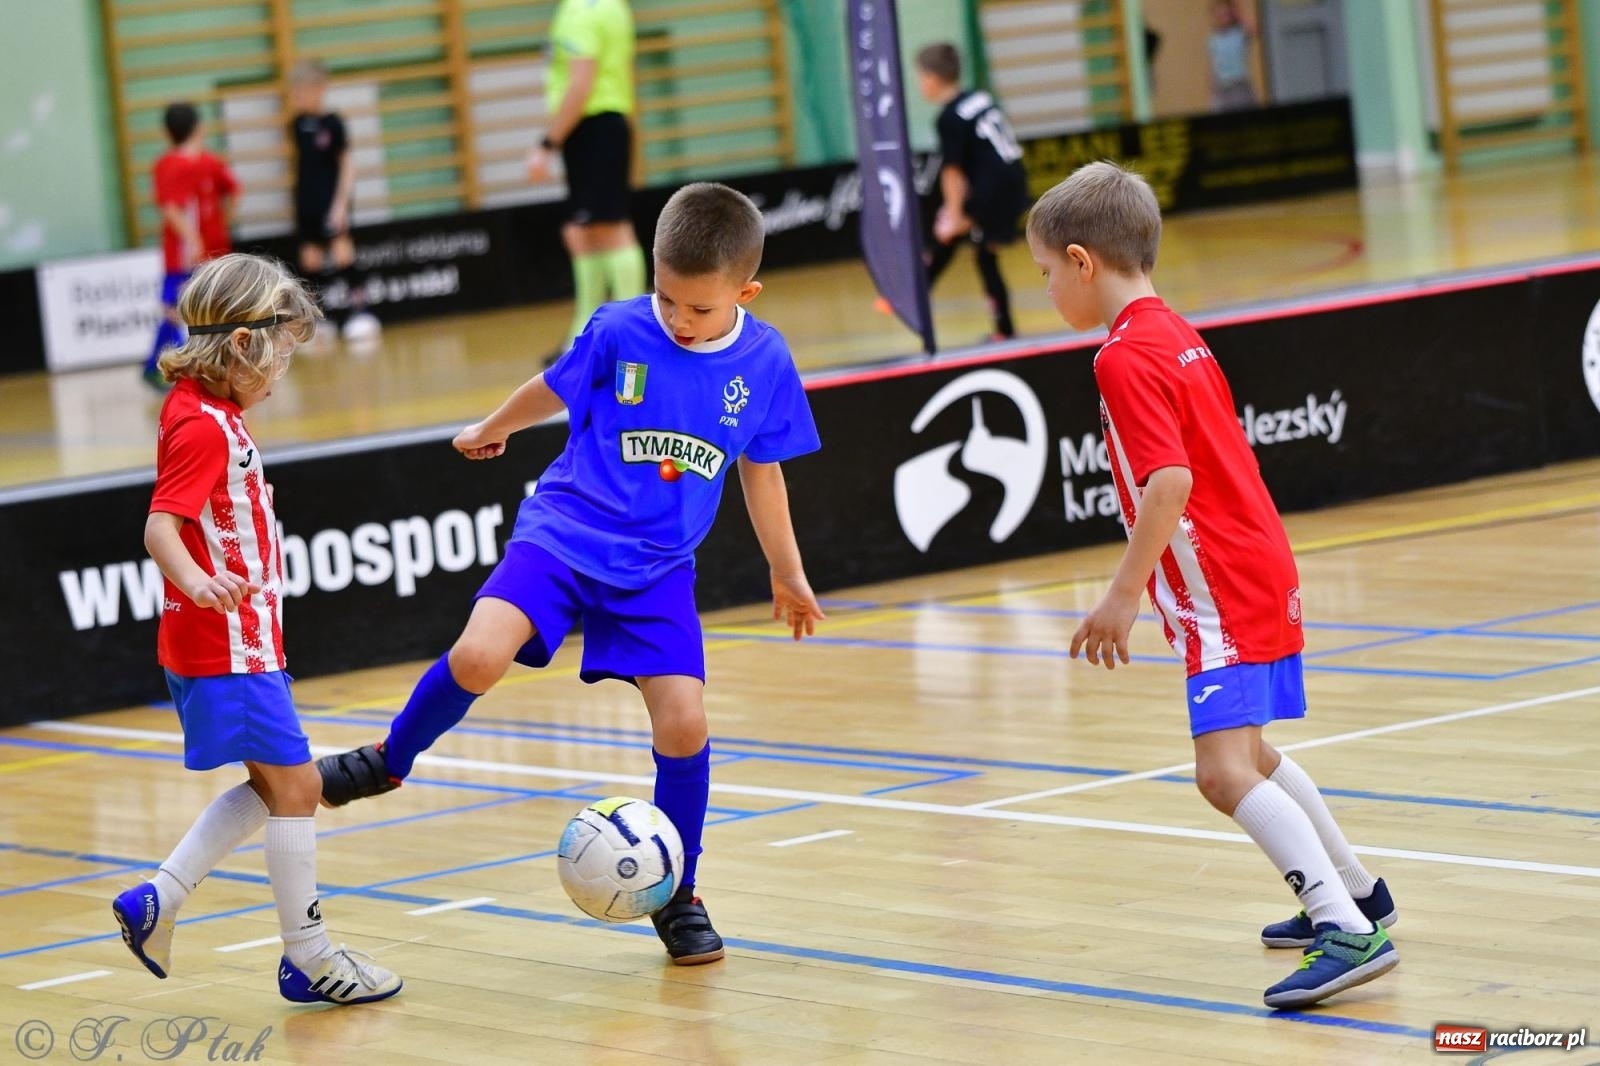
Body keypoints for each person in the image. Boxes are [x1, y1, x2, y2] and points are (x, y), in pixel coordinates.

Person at [316, 183, 824, 965]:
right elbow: (553, 388)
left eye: (698, 309)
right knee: (478, 656)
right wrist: (491, 429)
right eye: (667, 299)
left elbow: (764, 474)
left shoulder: (765, 361)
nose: (679, 320)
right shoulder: (618, 328)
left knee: (684, 721)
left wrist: (786, 573)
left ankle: (678, 893)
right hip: (563, 533)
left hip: (656, 572)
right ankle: (390, 760)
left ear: (744, 292)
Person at [1025, 161, 1398, 1010]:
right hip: (1257, 562)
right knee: (1255, 756)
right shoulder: (1179, 331)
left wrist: (1121, 596)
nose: (1047, 289)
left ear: (1083, 262)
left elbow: (1169, 483)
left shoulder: (1121, 358)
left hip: (1220, 584)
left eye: (1046, 273)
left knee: (1222, 772)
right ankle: (1359, 890)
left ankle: (1345, 928)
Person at [113, 253, 403, 1006]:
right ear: (241, 344)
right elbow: (159, 528)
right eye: (278, 352)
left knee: (277, 787)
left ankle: (160, 900)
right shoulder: (206, 428)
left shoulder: (199, 407)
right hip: (227, 645)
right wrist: (200, 581)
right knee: (299, 788)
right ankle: (308, 956)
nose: (282, 370)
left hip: (238, 642)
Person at [526, 0, 647, 363]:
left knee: (610, 227)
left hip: (592, 127)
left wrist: (547, 143)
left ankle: (634, 338)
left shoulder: (580, 13)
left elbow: (580, 86)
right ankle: (586, 336)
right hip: (604, 126)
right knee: (581, 231)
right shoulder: (613, 7)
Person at [913, 43, 1028, 342]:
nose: (919, 84)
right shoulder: (979, 97)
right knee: (969, 246)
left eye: (920, 77)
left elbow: (952, 171)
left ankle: (1005, 332)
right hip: (1012, 181)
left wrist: (955, 214)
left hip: (993, 192)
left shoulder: (948, 117)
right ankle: (917, 293)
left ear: (933, 78)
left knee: (969, 246)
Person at [142, 102, 238, 391]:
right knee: (179, 308)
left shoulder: (198, 163)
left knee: (195, 307)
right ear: (198, 127)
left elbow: (230, 191)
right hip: (192, 252)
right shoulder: (190, 163)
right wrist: (199, 235)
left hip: (202, 251)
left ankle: (185, 366)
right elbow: (174, 209)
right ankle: (159, 367)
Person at [288, 59, 380, 342]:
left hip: (331, 203)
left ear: (319, 89)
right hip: (307, 204)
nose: (298, 98)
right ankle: (319, 321)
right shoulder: (296, 124)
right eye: (295, 93)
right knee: (311, 263)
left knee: (343, 256)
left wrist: (340, 205)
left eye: (302, 92)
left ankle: (361, 313)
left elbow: (347, 166)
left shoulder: (334, 123)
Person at [1209, 0, 1258, 111]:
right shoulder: (1213, 39)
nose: (1223, 17)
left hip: (1239, 86)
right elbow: (1212, 67)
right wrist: (1212, 95)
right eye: (1219, 14)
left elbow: (1254, 29)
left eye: (1226, 14)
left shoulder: (1240, 33)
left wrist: (1239, 13)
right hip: (1221, 89)